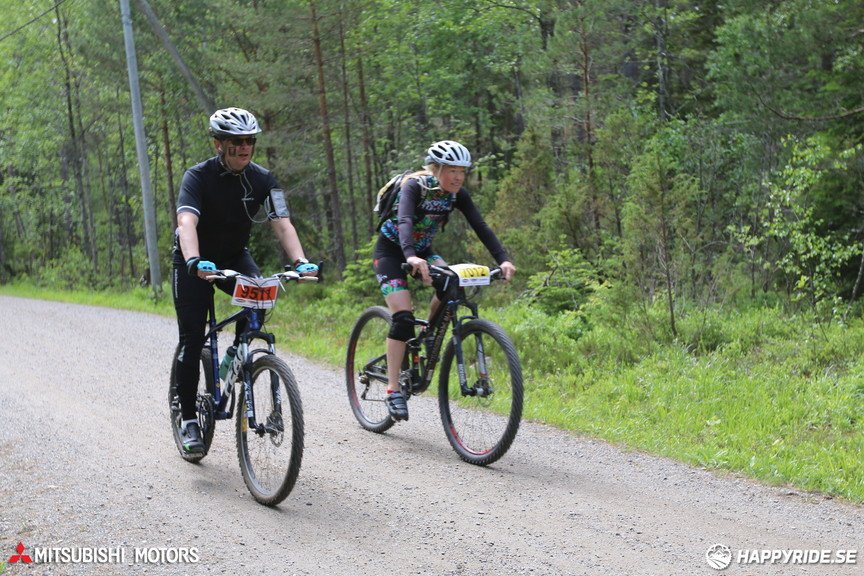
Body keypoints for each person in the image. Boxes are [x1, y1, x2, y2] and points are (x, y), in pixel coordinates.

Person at [172, 107, 318, 454]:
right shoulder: (197, 176)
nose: (244, 147)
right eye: (236, 142)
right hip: (194, 259)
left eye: (249, 141)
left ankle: (238, 356)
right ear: (218, 144)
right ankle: (190, 419)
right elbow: (186, 223)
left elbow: (282, 223)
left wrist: (300, 262)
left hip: (234, 255)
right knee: (193, 339)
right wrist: (193, 260)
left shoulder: (263, 179)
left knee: (260, 297)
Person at [373, 140, 516, 421]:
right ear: (435, 169)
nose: (459, 177)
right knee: (402, 318)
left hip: (423, 251)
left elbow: (481, 226)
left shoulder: (456, 194)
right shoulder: (415, 187)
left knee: (452, 283)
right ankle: (393, 390)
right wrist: (411, 257)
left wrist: (503, 259)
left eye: (462, 171)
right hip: (391, 251)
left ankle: (427, 336)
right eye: (452, 170)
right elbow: (404, 222)